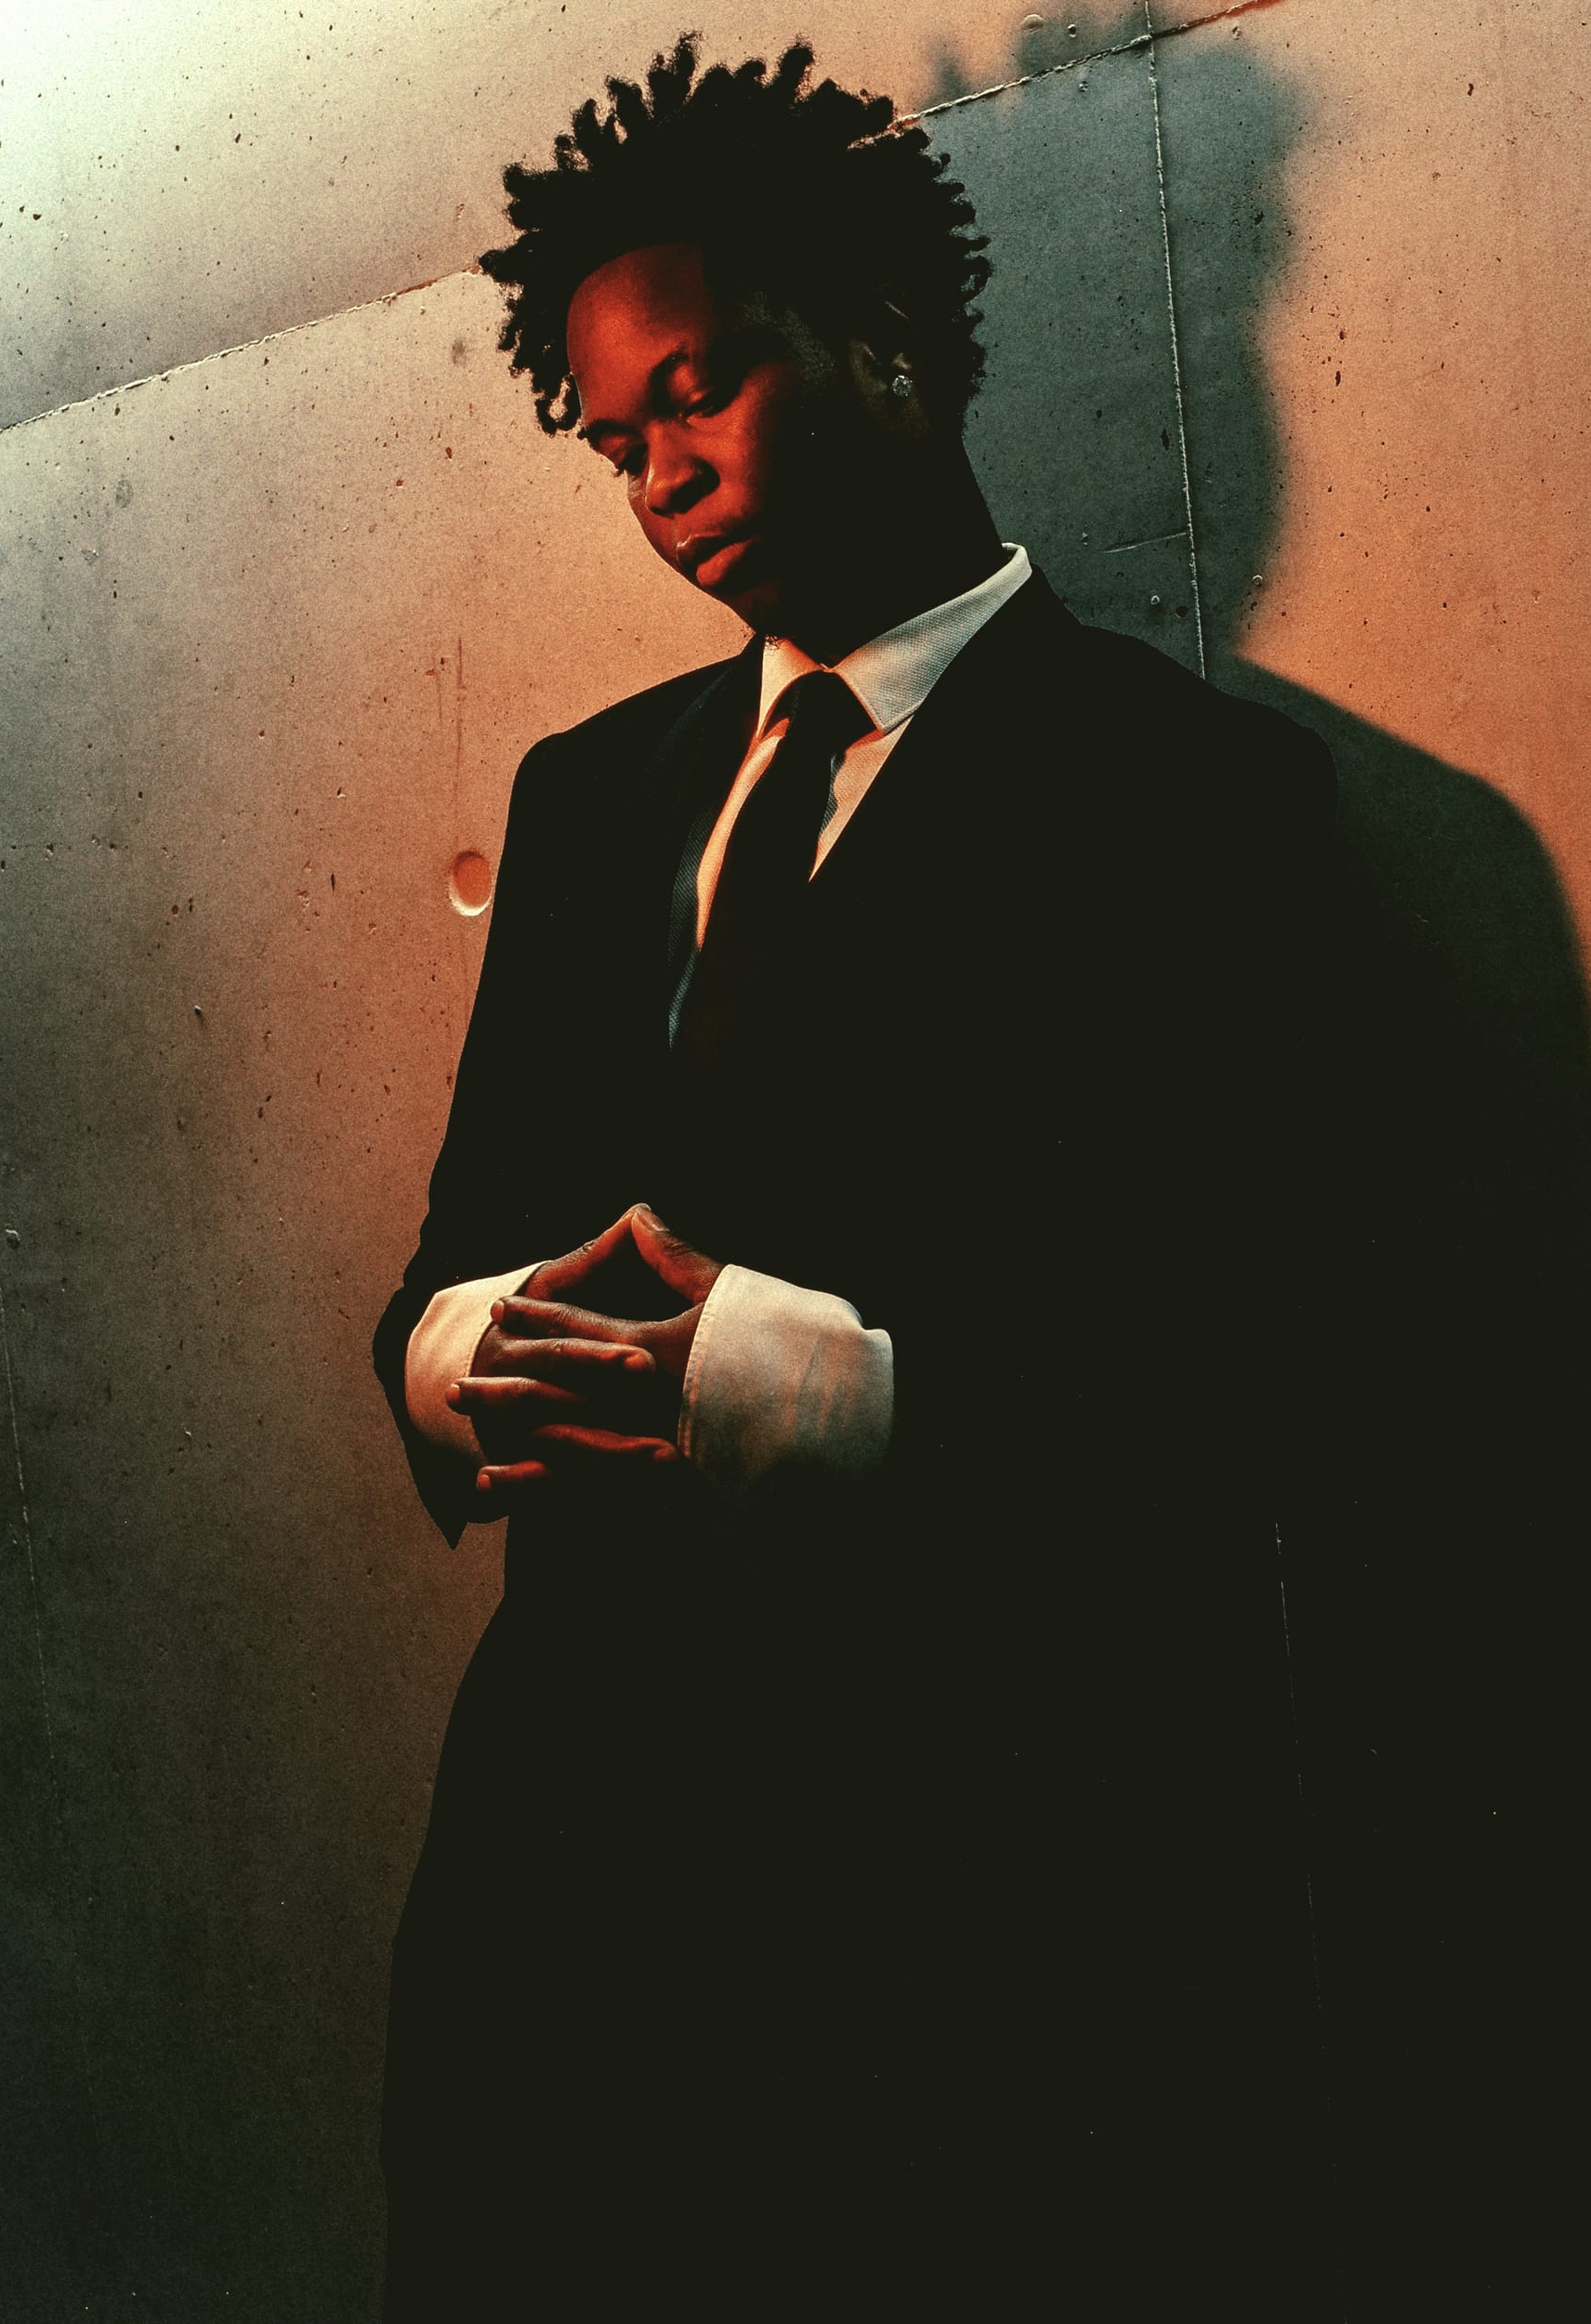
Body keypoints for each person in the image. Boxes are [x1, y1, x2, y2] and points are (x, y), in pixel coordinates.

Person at [372, 36, 1344, 2316]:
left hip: (972, 1906)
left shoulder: (1192, 801)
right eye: (612, 437)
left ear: (883, 342)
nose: (656, 478)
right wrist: (457, 1350)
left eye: (696, 391)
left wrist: (809, 1381)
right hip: (567, 1906)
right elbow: (447, 1257)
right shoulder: (591, 794)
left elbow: (1259, 1372)